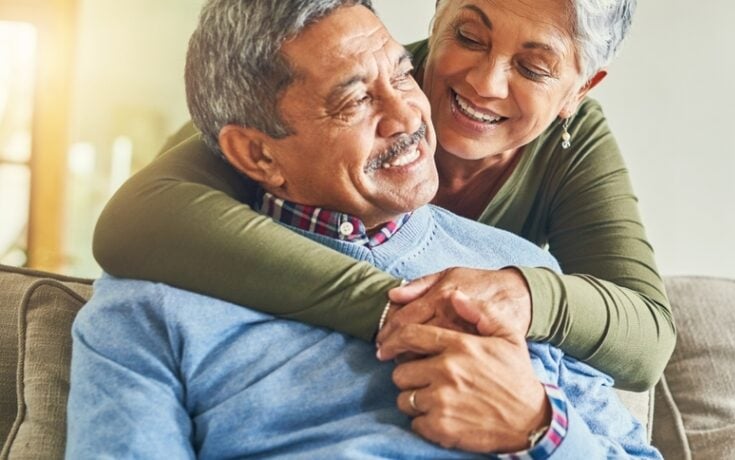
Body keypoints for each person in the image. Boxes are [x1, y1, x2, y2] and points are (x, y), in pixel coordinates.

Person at [67, 2, 660, 458]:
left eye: (403, 76)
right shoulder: (148, 310)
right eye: (353, 101)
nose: (409, 113)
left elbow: (645, 346)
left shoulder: (512, 274)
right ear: (257, 155)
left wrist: (541, 425)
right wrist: (399, 311)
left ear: (578, 91)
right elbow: (134, 217)